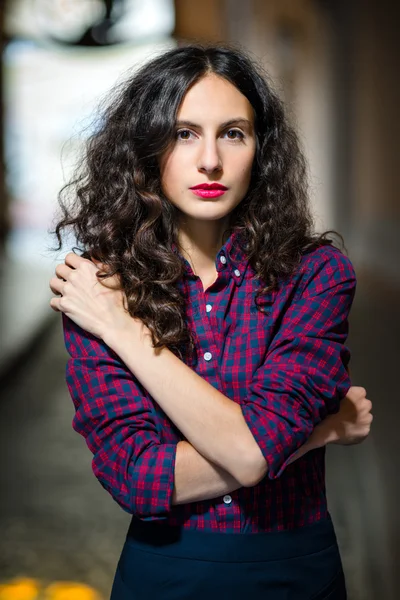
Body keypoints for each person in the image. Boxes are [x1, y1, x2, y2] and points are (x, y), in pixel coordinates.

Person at [49, 44, 373, 599]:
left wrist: (124, 330)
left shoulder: (316, 274)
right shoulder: (100, 288)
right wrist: (319, 431)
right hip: (163, 574)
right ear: (146, 149)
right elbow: (135, 475)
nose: (209, 162)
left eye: (233, 133)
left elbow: (250, 454)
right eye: (183, 134)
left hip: (294, 571)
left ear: (260, 150)